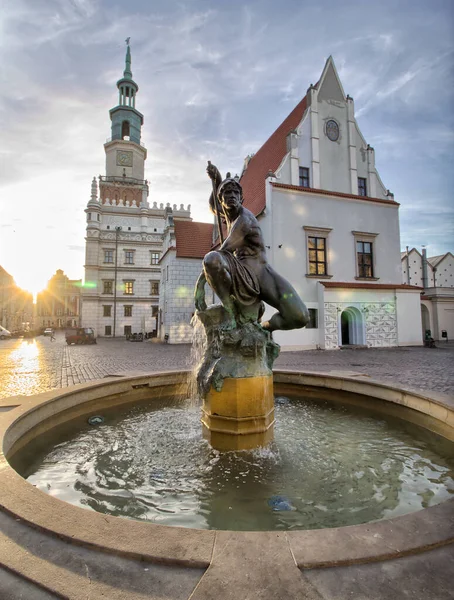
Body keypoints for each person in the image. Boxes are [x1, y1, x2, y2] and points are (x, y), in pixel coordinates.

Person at [194, 163, 309, 332]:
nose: (232, 196)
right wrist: (217, 178)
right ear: (222, 199)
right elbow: (213, 207)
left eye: (235, 193)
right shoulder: (228, 214)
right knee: (212, 259)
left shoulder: (244, 218)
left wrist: (200, 284)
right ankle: (230, 310)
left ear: (241, 198)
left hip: (261, 272)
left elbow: (224, 250)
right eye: (227, 193)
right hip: (241, 269)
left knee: (300, 317)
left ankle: (264, 328)